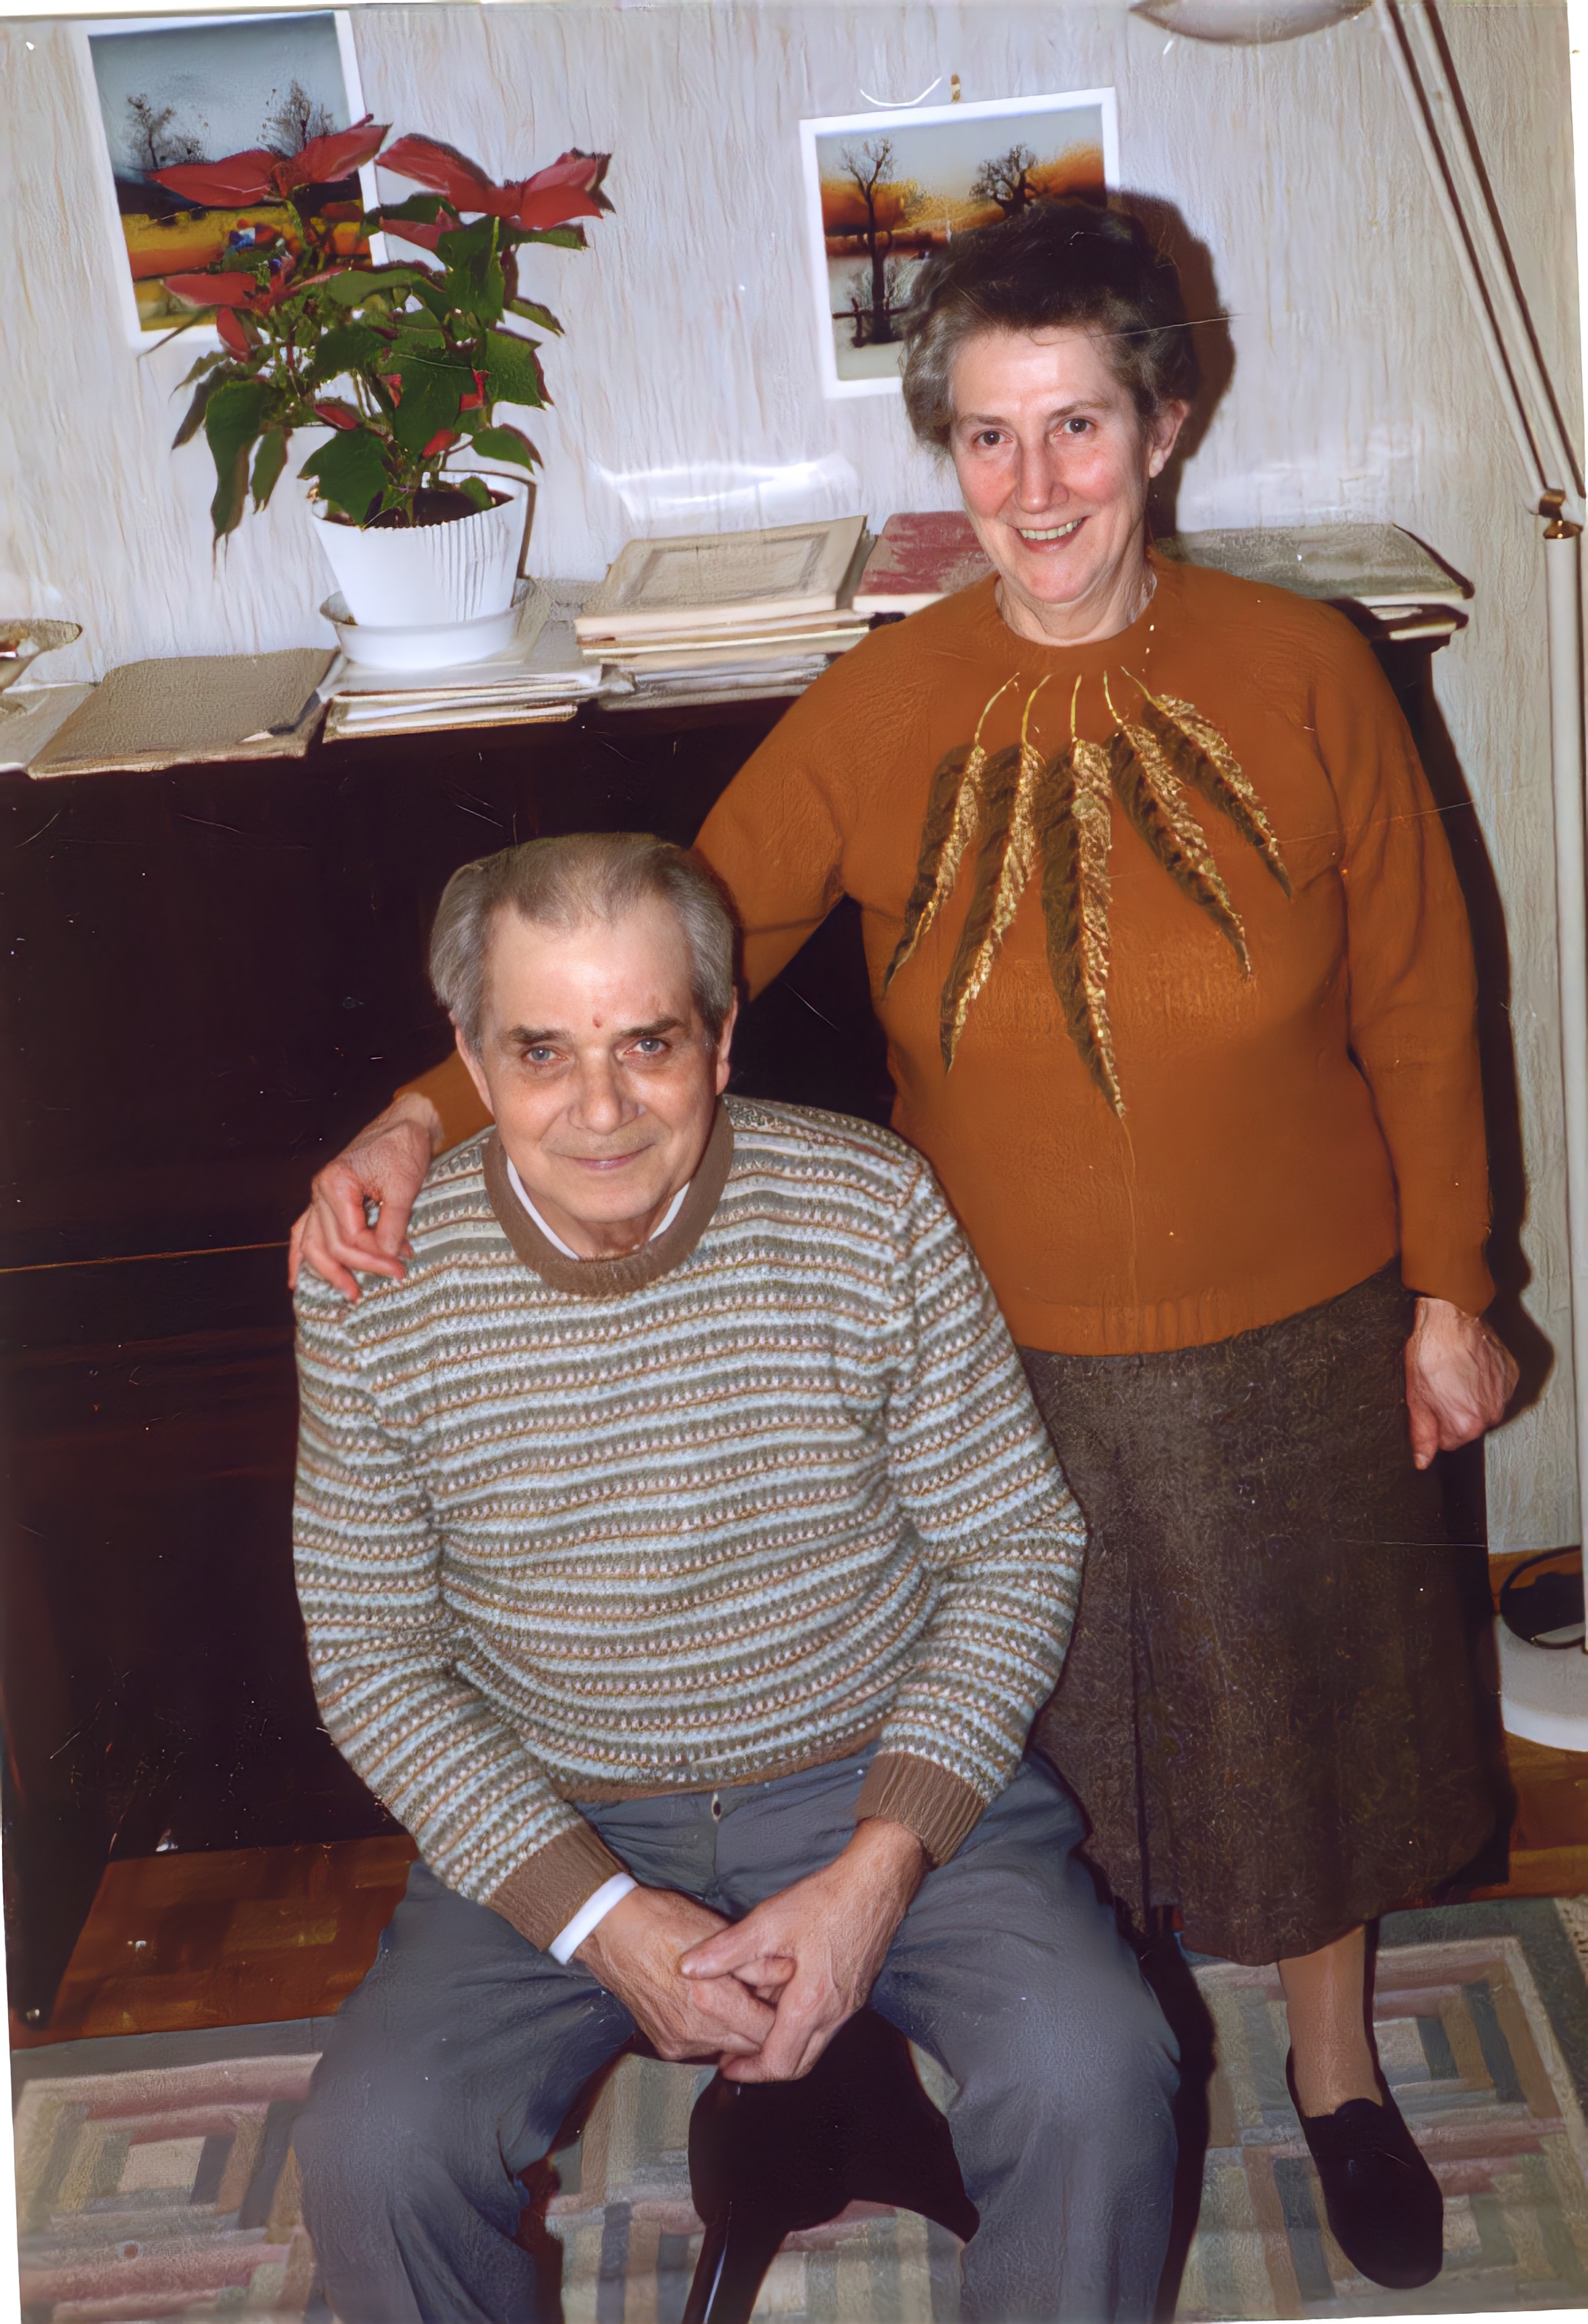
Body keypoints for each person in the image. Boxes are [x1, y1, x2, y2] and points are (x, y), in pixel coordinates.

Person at [292, 202, 1518, 2290]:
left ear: (1164, 425)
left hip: (1299, 1324)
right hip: (1001, 1338)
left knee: (1307, 1725)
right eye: (985, 436)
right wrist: (421, 1112)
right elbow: (667, 952)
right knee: (1057, 1772)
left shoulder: (1307, 668)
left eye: (1077, 427)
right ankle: (976, 2067)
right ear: (943, 450)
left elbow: (1419, 994)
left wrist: (1453, 1288)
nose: (1034, 486)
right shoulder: (890, 701)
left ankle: (1333, 2074)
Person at [290, 830, 1178, 2324]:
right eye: (541, 1052)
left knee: (1094, 2069)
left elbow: (1015, 1546)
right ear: (469, 1055)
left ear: (719, 1037)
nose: (599, 1110)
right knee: (374, 2154)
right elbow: (373, 1658)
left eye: (647, 1042)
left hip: (868, 1773)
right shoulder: (373, 1289)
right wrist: (597, 1917)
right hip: (557, 1796)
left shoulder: (868, 1207)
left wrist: (874, 1874)